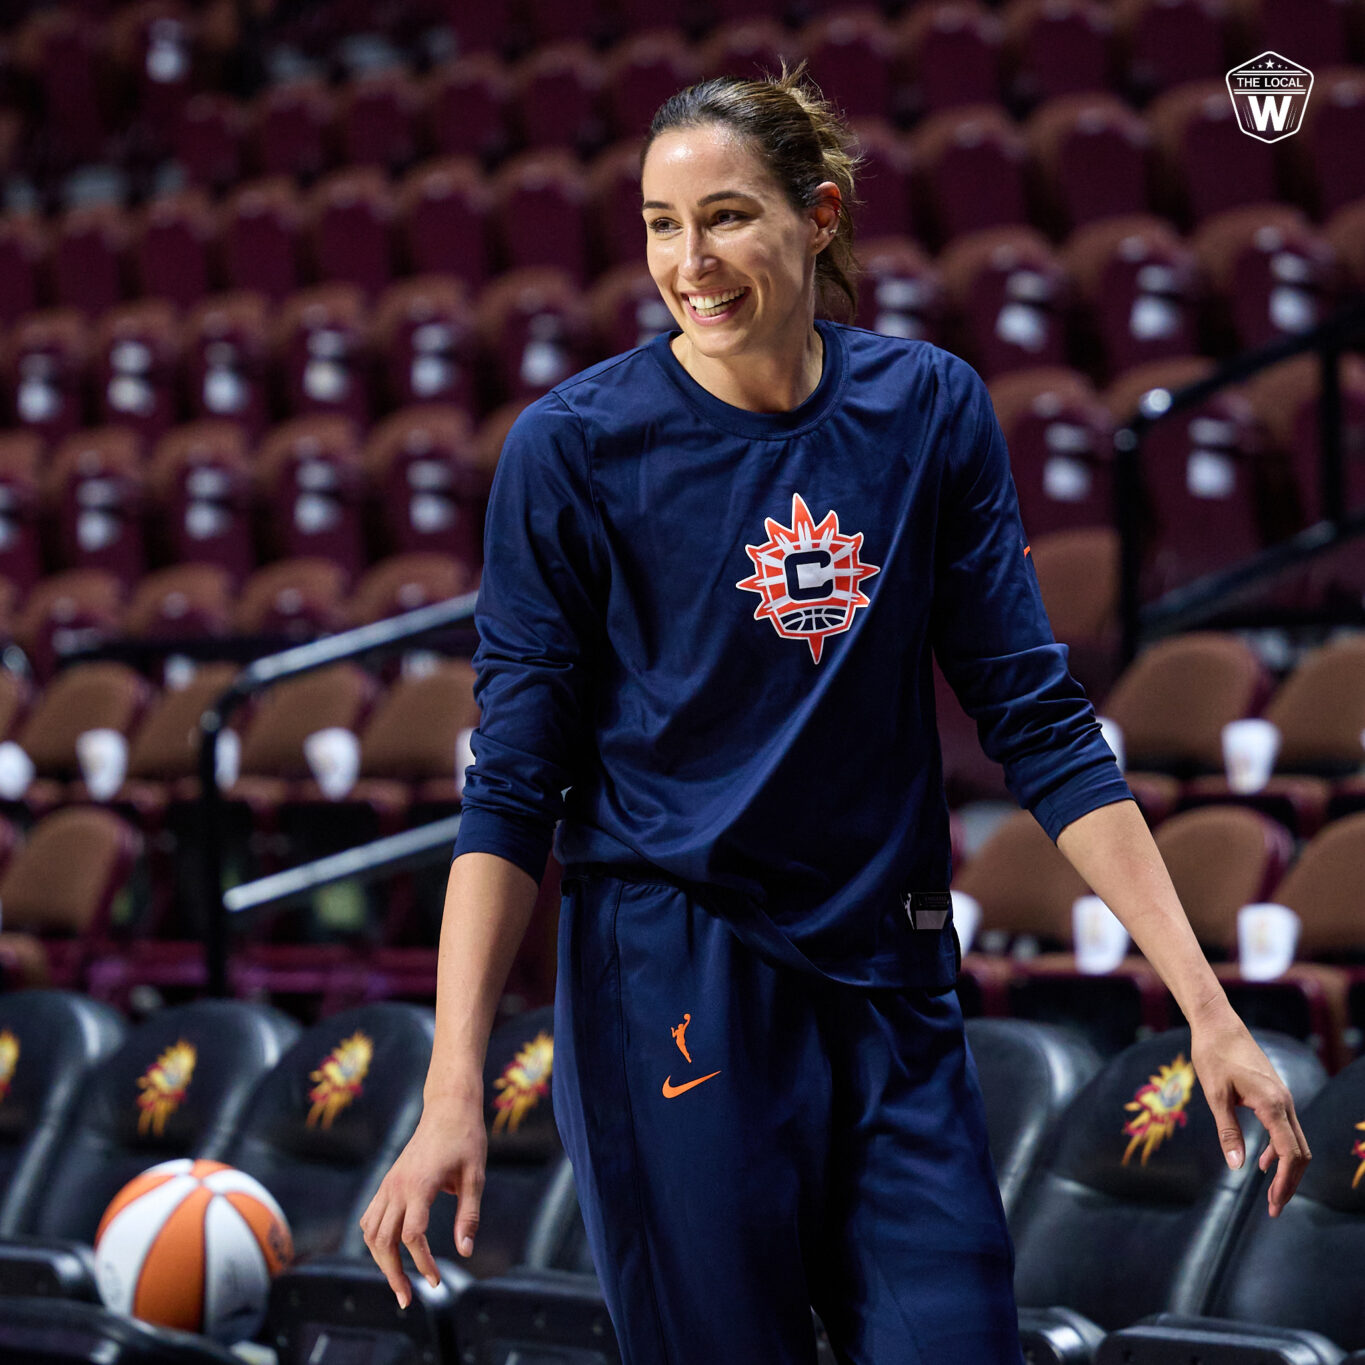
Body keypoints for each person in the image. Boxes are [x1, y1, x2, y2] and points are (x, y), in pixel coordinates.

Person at [360, 67, 1312, 1365]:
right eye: (658, 223)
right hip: (672, 976)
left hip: (891, 973)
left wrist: (1204, 1006)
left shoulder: (927, 409)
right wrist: (451, 1086)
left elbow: (1036, 718)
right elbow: (512, 786)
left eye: (726, 217)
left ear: (818, 217)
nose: (687, 262)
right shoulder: (571, 448)